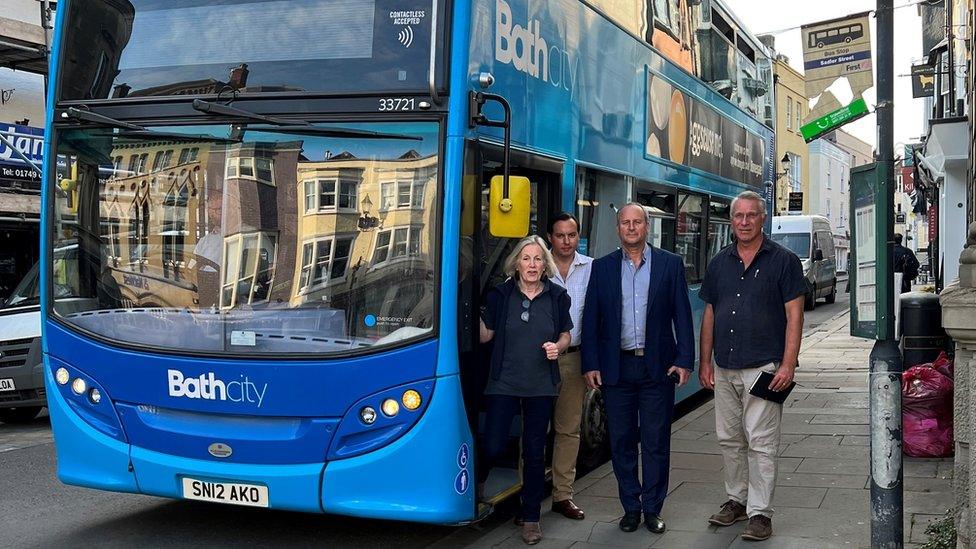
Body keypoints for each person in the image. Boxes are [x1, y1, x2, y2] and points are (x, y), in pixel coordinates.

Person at [698, 191, 806, 542]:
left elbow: (794, 315)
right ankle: (736, 500)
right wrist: (705, 361)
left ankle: (760, 513)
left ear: (763, 219)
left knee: (761, 441)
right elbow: (710, 314)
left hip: (764, 368)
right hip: (725, 365)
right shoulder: (719, 263)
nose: (744, 222)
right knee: (729, 439)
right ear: (732, 221)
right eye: (738, 216)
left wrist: (788, 364)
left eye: (751, 216)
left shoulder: (784, 261)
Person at [580, 203, 695, 534]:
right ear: (618, 228)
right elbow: (591, 320)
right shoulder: (601, 268)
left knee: (657, 441)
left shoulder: (669, 265)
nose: (631, 228)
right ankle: (630, 507)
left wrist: (685, 359)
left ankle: (652, 508)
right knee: (622, 441)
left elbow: (682, 316)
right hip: (617, 369)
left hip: (656, 369)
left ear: (647, 227)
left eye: (637, 222)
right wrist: (591, 363)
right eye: (625, 223)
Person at [478, 235, 573, 545]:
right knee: (492, 445)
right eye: (526, 258)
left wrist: (557, 348)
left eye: (537, 259)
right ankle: (476, 489)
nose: (532, 264)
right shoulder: (500, 295)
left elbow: (565, 335)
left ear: (545, 264)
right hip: (503, 382)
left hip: (540, 385)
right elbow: (486, 334)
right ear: (516, 263)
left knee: (534, 453)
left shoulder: (558, 297)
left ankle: (531, 518)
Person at [545, 212, 593, 521]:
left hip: (574, 358)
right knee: (535, 430)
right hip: (538, 361)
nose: (566, 241)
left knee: (568, 430)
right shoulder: (535, 263)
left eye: (572, 234)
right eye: (560, 235)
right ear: (551, 237)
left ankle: (563, 495)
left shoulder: (592, 268)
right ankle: (530, 493)